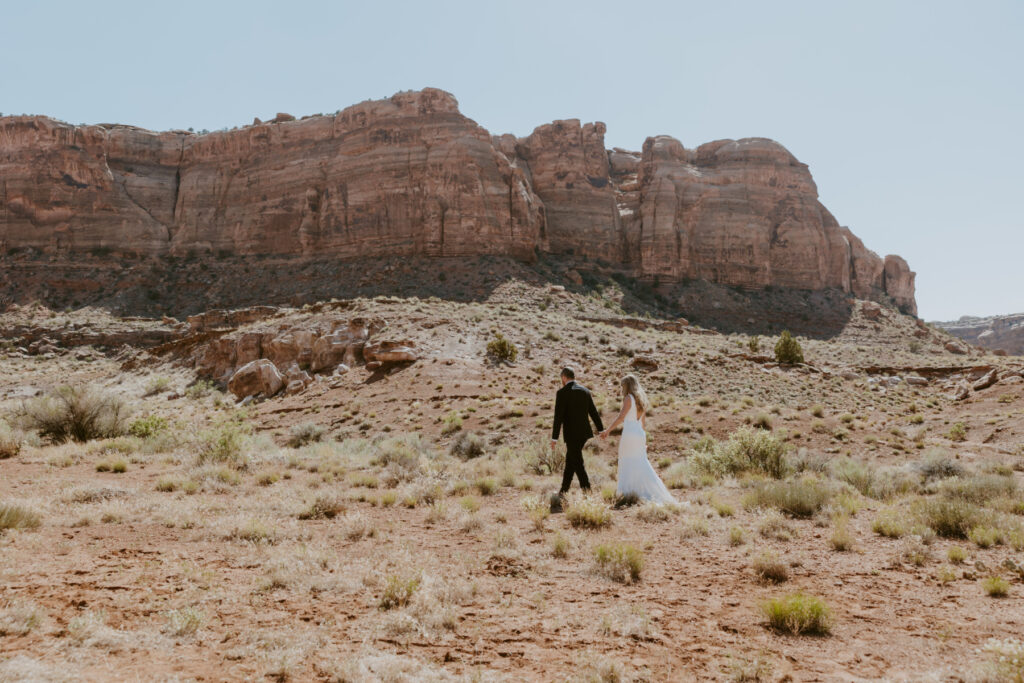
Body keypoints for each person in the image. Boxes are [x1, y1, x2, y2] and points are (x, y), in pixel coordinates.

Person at [599, 374, 675, 504]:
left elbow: (621, 417)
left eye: (623, 386)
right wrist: (644, 442)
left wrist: (608, 430)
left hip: (630, 434)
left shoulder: (629, 398)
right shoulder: (642, 400)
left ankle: (627, 492)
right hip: (639, 434)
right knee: (640, 462)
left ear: (627, 386)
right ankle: (645, 491)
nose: (622, 388)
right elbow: (643, 424)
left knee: (626, 461)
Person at [550, 366, 604, 495]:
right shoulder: (585, 391)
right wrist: (601, 429)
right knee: (571, 460)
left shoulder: (562, 393)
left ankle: (587, 491)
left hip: (571, 434)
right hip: (584, 433)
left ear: (564, 377)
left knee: (577, 463)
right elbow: (593, 412)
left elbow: (558, 418)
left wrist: (554, 438)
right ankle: (564, 491)